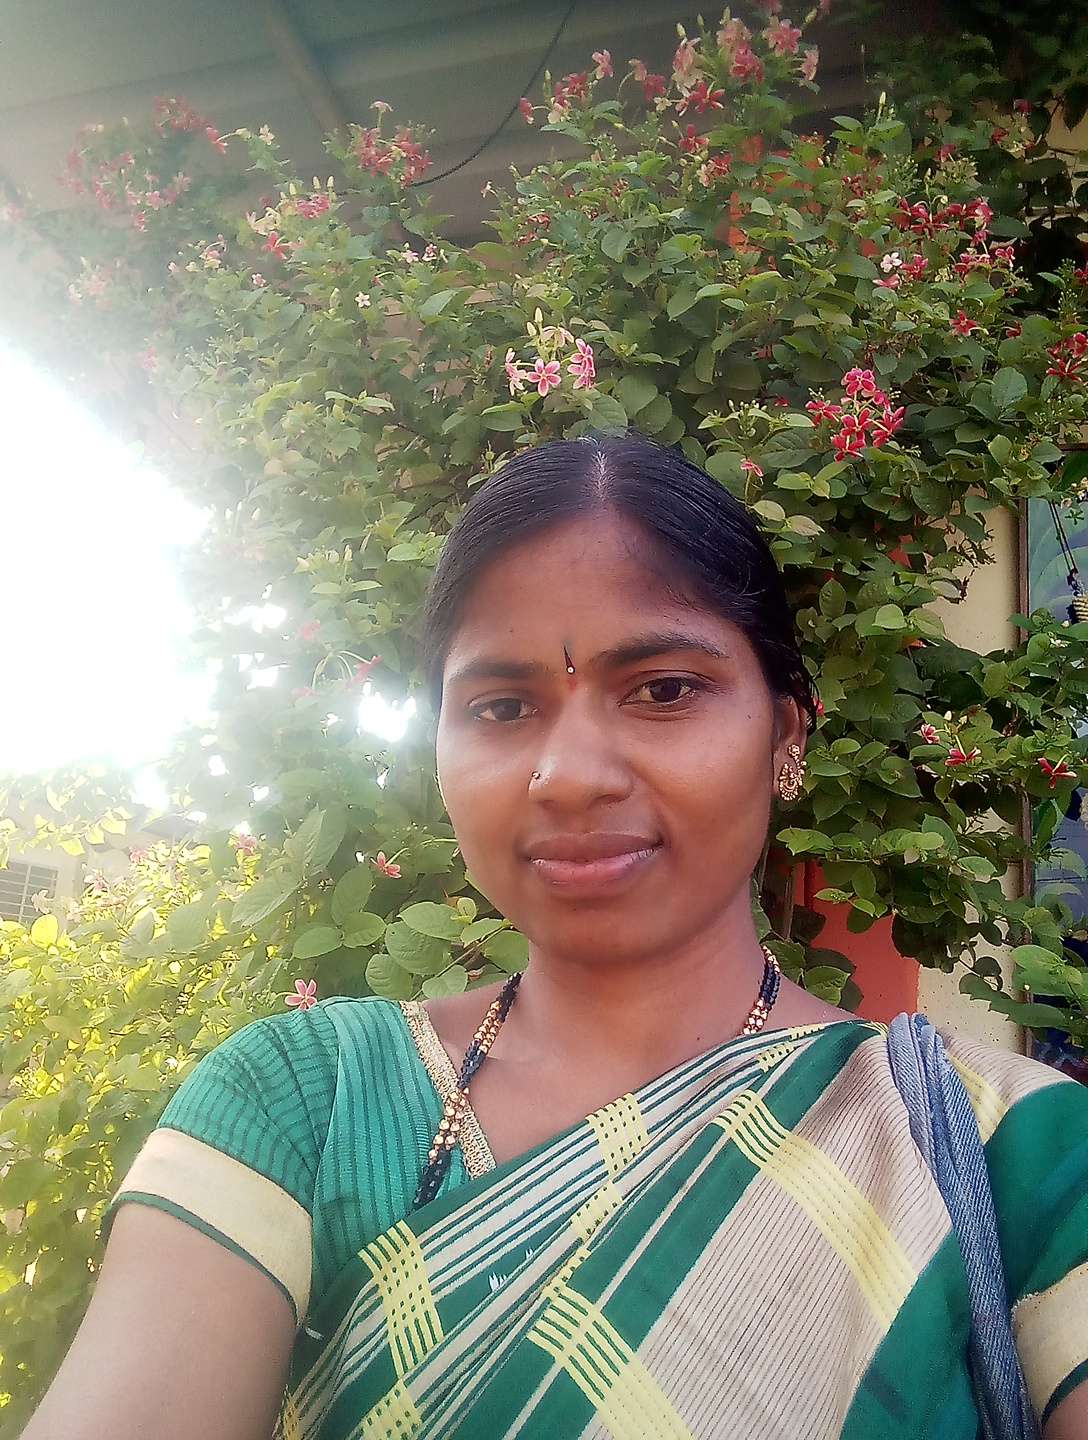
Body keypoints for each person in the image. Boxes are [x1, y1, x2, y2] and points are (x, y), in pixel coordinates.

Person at [21, 435, 1088, 1440]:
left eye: (663, 690)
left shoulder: (1013, 1156)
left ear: (783, 736)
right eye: (499, 707)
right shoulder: (301, 1105)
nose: (569, 776)